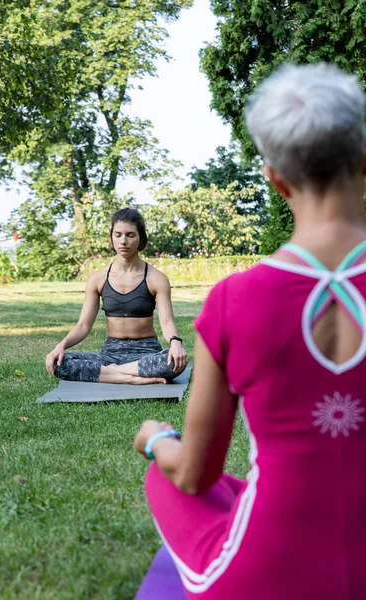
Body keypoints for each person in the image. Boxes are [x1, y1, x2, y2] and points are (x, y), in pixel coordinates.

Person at [134, 63, 366, 599]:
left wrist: (155, 438)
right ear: (363, 156)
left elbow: (193, 475)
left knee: (164, 470)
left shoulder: (233, 302)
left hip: (263, 578)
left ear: (275, 179)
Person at [46, 208, 188, 385]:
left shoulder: (156, 278)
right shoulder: (97, 279)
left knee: (175, 360)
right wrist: (60, 346)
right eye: (118, 234)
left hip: (146, 353)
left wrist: (175, 342)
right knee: (60, 361)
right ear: (111, 237)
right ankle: (132, 379)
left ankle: (111, 374)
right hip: (110, 353)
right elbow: (83, 325)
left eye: (130, 235)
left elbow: (166, 322)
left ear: (140, 238)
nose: (123, 241)